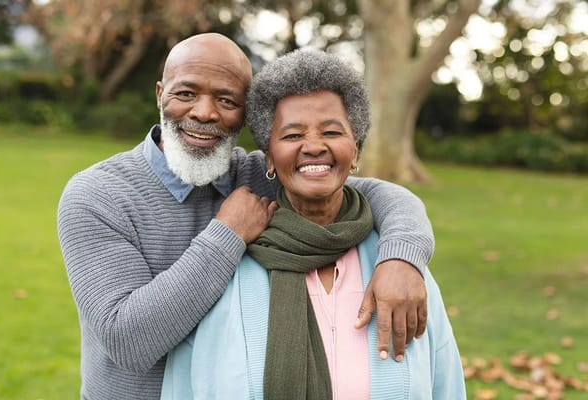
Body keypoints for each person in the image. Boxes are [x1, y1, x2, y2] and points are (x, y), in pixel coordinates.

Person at [57, 33, 435, 400]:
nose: (204, 112)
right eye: (186, 93)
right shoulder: (98, 195)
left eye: (226, 99)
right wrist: (227, 233)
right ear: (160, 94)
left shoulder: (259, 175)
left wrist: (402, 257)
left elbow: (372, 192)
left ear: (246, 114)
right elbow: (127, 342)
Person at [160, 48, 465, 399]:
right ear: (269, 158)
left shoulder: (400, 268)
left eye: (332, 132)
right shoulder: (226, 273)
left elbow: (446, 387)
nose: (314, 146)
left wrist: (402, 259)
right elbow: (181, 389)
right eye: (292, 136)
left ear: (356, 149)